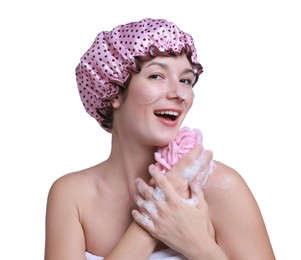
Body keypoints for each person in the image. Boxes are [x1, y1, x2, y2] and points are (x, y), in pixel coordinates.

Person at [44, 18, 275, 260]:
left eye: (185, 80)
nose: (179, 94)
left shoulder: (222, 188)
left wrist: (197, 245)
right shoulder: (72, 196)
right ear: (114, 90)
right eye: (157, 76)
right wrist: (153, 214)